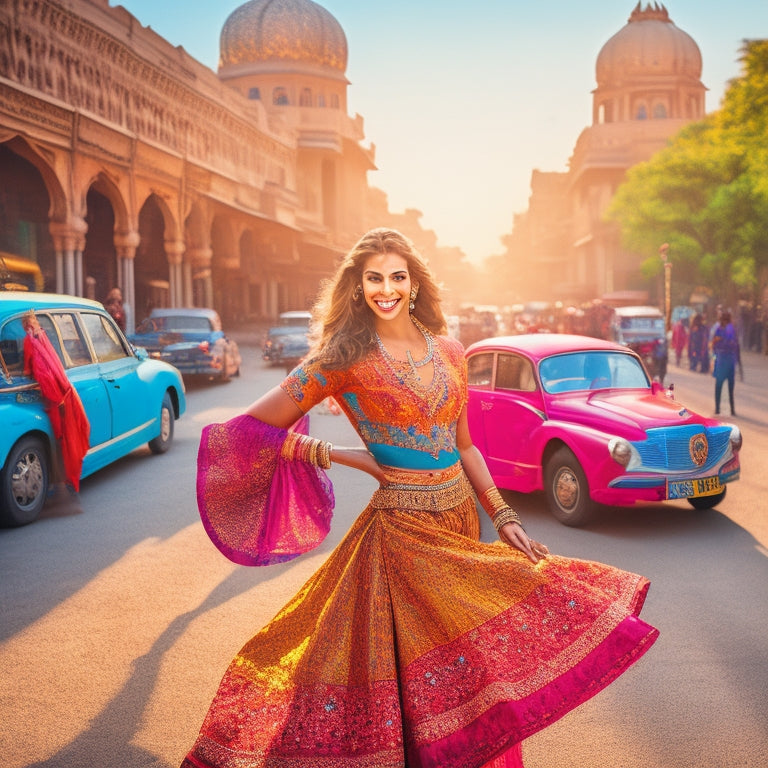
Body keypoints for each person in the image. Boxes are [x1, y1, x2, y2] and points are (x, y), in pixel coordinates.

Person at [181, 228, 658, 768]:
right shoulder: (341, 358)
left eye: (397, 277)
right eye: (374, 279)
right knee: (407, 676)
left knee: (466, 665)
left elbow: (466, 446)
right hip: (400, 531)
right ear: (359, 289)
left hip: (460, 517)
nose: (387, 289)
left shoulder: (451, 351)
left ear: (413, 284)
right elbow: (247, 432)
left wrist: (502, 515)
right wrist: (346, 455)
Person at [22, 310, 90, 504]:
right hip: (62, 393)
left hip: (50, 397)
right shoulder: (43, 336)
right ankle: (67, 483)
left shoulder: (29, 341)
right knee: (64, 439)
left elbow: (27, 370)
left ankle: (59, 484)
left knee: (57, 440)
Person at [711, 310, 740, 416]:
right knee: (730, 388)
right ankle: (732, 410)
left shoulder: (719, 330)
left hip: (721, 361)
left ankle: (717, 408)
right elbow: (736, 346)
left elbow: (714, 344)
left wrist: (715, 355)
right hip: (730, 362)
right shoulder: (732, 330)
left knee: (718, 386)